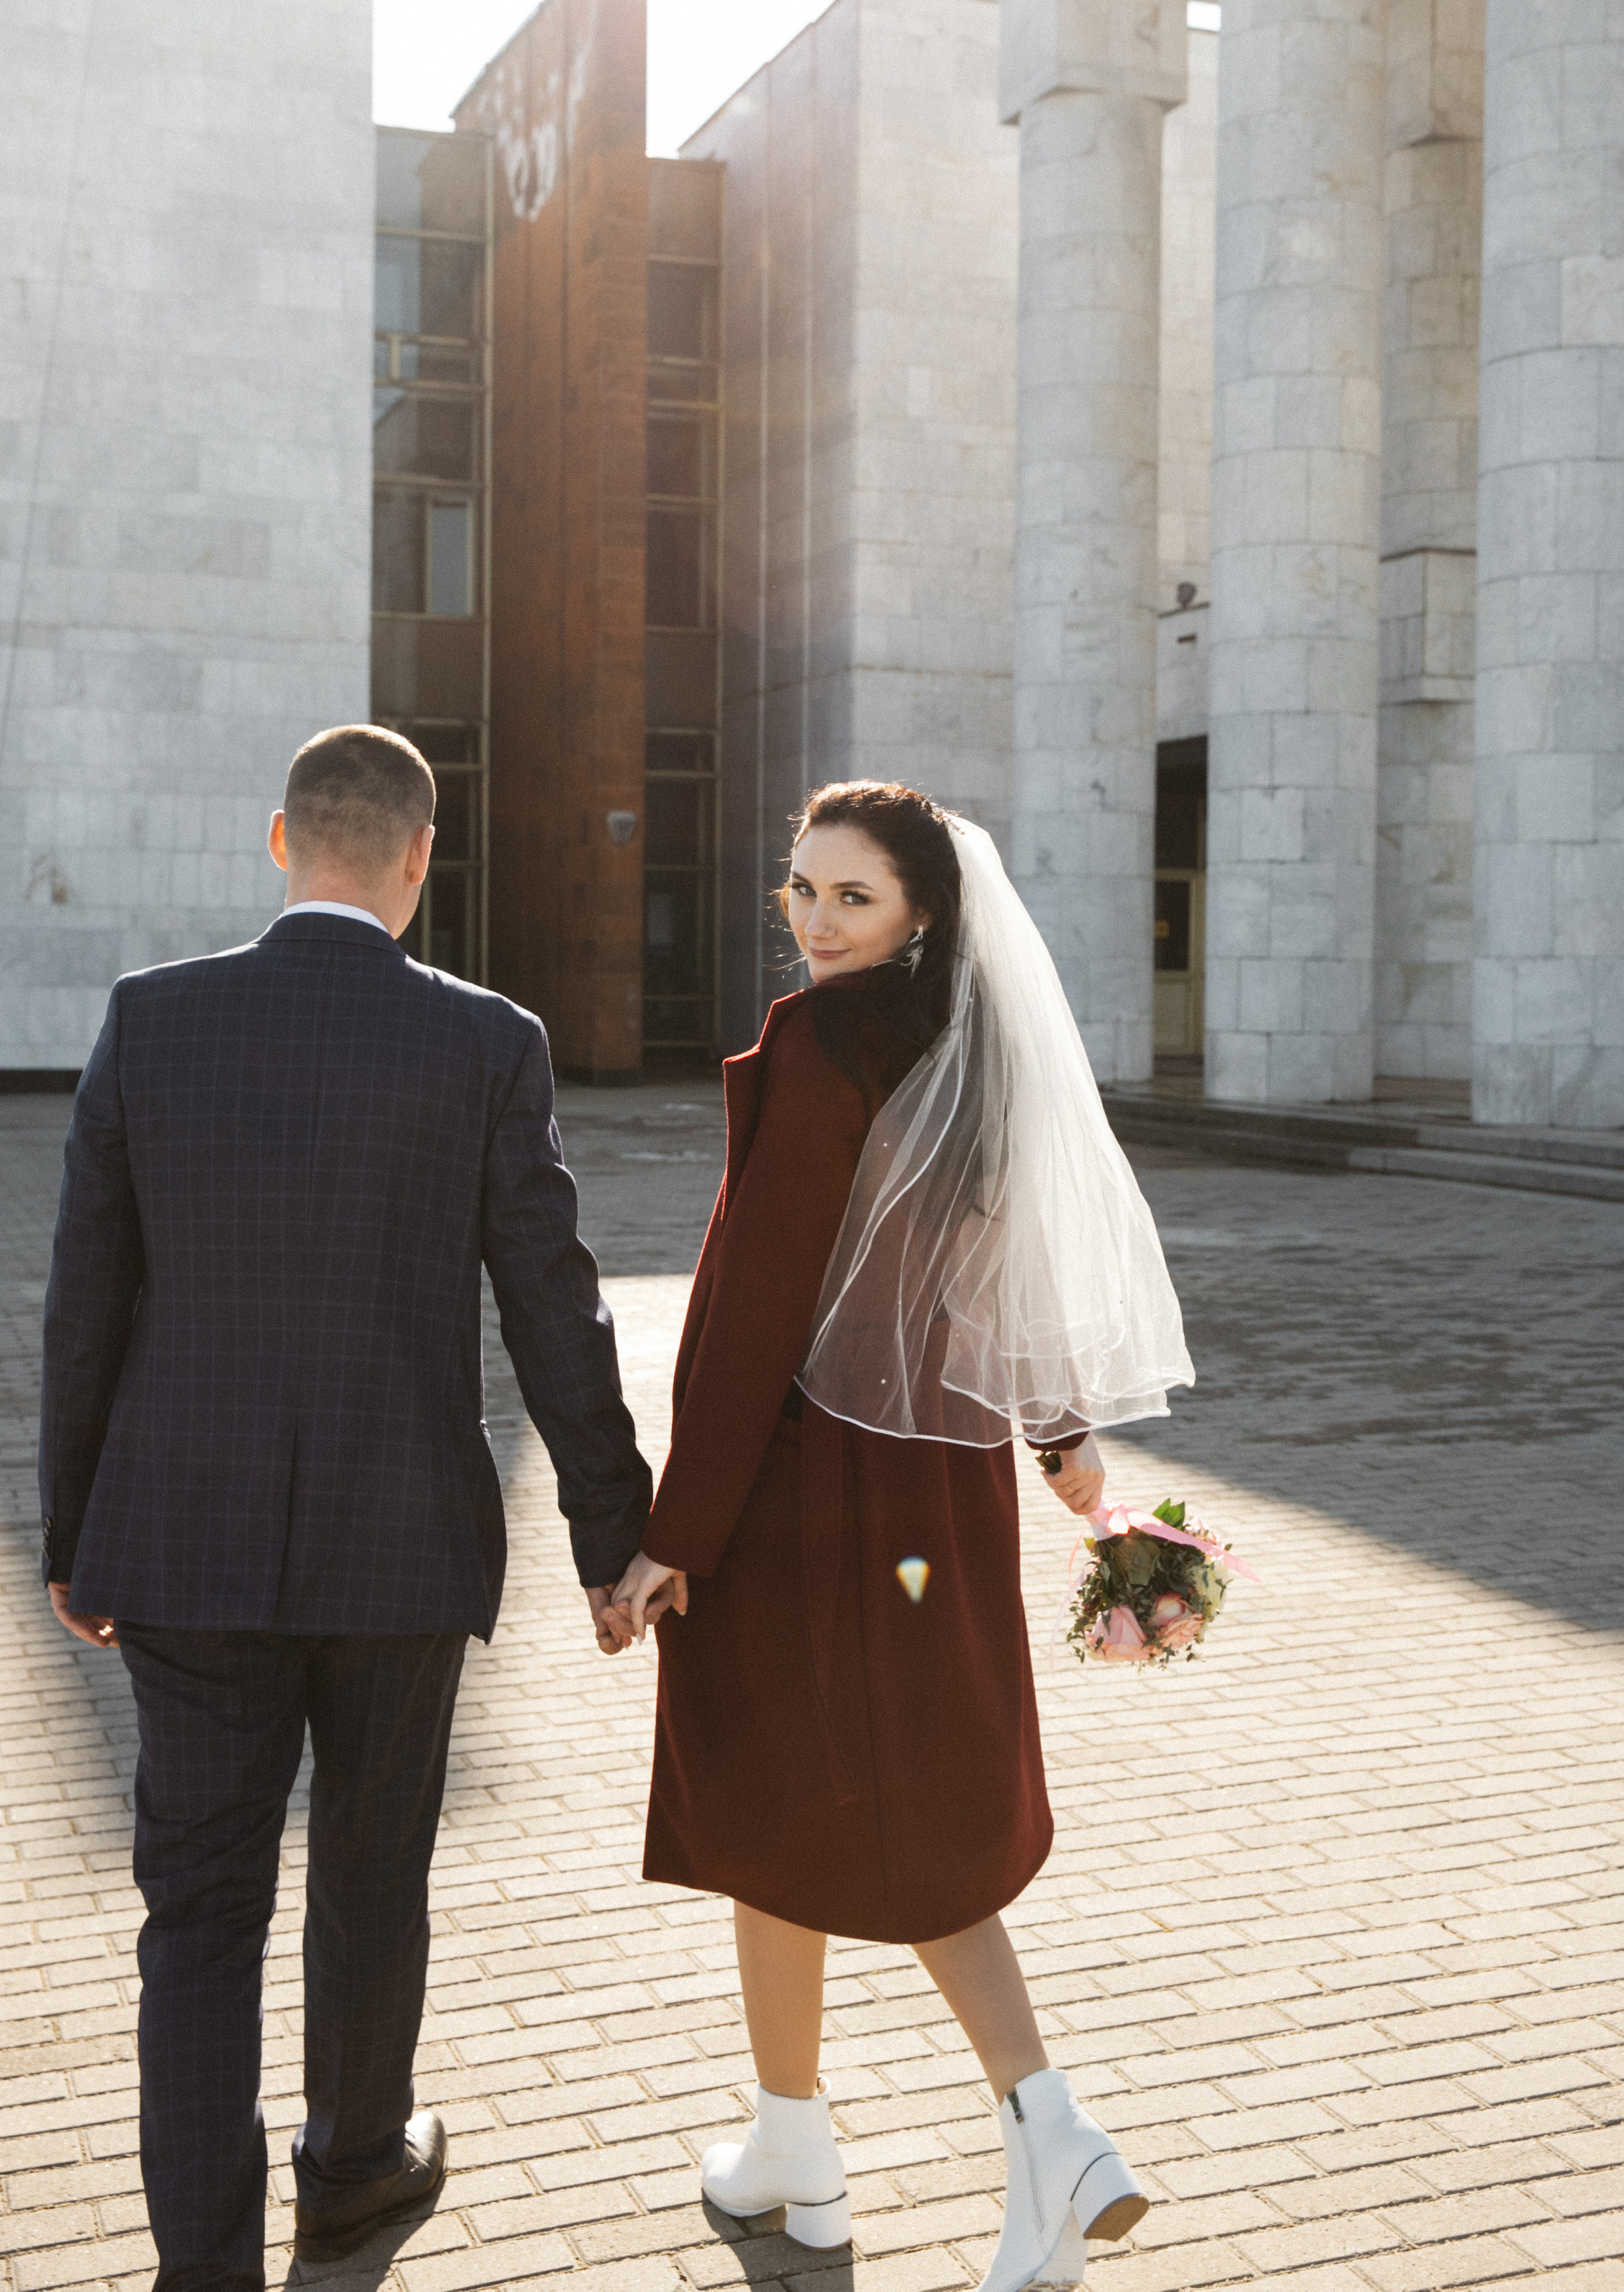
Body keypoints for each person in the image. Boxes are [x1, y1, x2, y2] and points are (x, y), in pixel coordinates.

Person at [38, 725, 653, 2292]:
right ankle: (357, 2170)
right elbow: (553, 1307)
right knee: (373, 1876)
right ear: (420, 859)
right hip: (401, 1549)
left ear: (278, 841)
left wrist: (72, 1536)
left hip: (180, 1545)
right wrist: (612, 1533)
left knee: (198, 1915)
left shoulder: (149, 1020)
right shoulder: (485, 1041)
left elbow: (84, 1303)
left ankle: (205, 2269)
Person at [608, 780, 1194, 2292]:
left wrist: (677, 1531)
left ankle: (1046, 2135)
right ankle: (791, 2140)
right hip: (939, 1487)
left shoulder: (823, 1047)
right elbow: (1019, 1273)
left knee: (810, 1795)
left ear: (919, 912)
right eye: (797, 891)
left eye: (848, 897)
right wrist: (1061, 1446)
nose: (812, 922)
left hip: (810, 1495)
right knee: (845, 1801)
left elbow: (753, 1308)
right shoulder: (976, 1051)